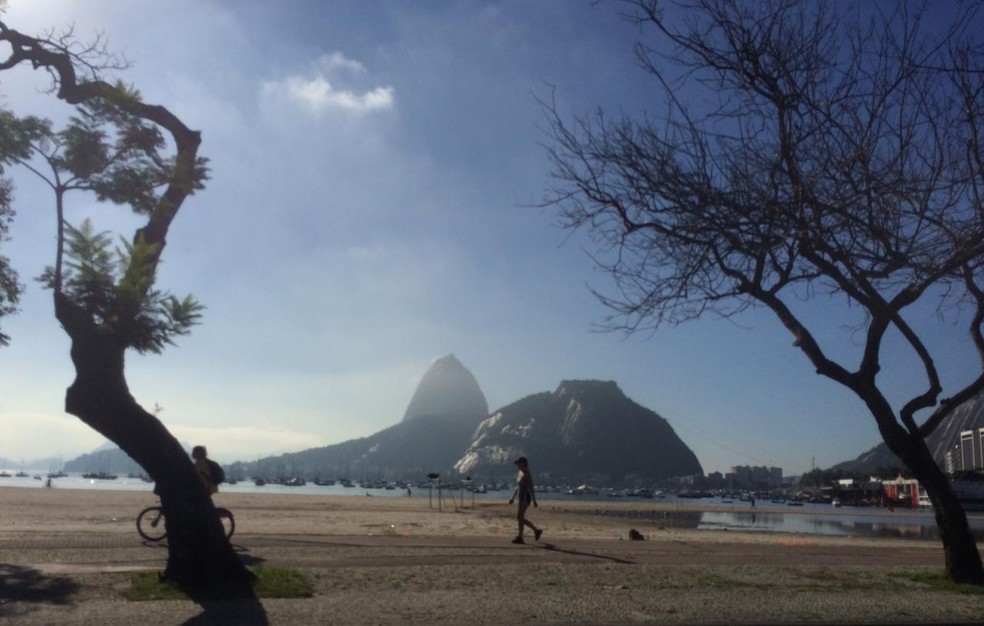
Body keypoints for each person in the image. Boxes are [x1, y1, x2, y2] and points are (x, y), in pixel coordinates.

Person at [508, 456, 543, 544]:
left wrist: (534, 500)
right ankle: (522, 536)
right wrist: (513, 497)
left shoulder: (527, 473)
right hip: (521, 495)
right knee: (520, 517)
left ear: (523, 464)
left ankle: (533, 531)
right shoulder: (520, 473)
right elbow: (518, 487)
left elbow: (531, 487)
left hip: (526, 496)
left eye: (519, 464)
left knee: (520, 517)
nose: (517, 466)